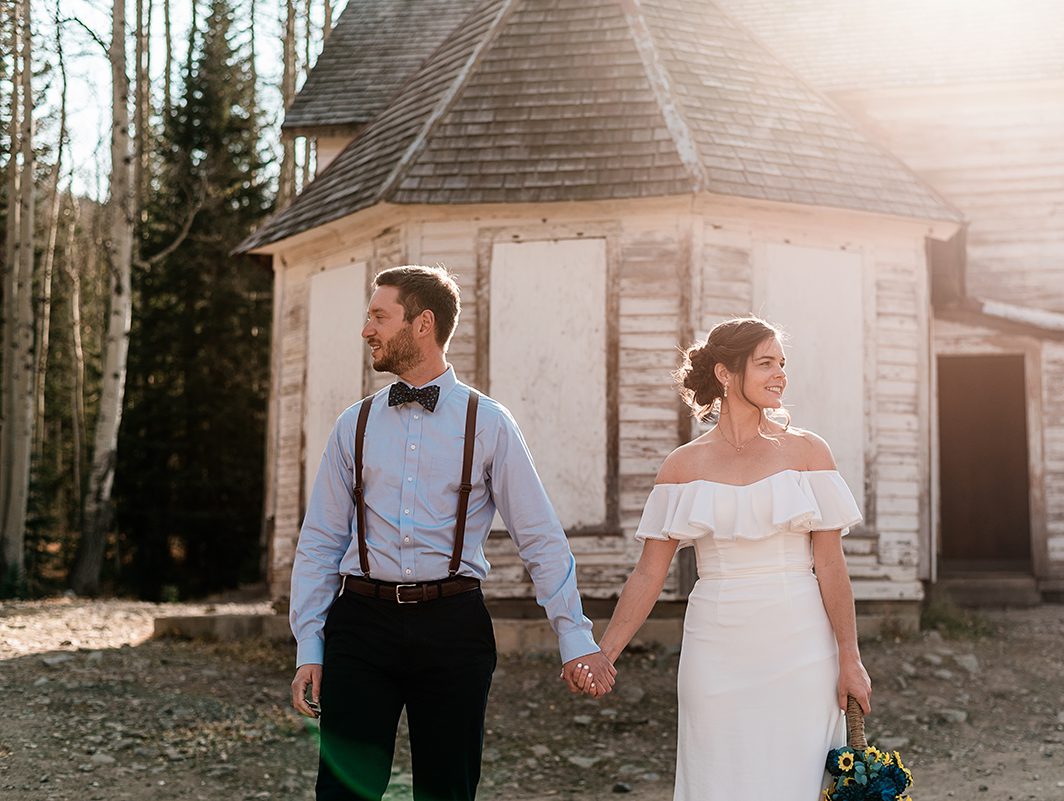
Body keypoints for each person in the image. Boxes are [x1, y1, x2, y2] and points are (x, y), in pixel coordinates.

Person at [289, 265, 616, 801]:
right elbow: (322, 539)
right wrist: (310, 645)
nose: (366, 329)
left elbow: (540, 537)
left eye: (378, 316)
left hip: (454, 627)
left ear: (422, 323)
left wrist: (574, 637)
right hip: (361, 627)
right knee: (345, 792)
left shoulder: (488, 423)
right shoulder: (355, 424)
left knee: (449, 790)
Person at [570, 316, 872, 800]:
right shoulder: (682, 465)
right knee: (719, 776)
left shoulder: (808, 452)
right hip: (716, 645)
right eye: (765, 364)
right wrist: (605, 653)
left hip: (801, 643)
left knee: (797, 777)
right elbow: (650, 572)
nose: (780, 375)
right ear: (726, 374)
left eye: (782, 364)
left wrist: (850, 658)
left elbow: (832, 566)